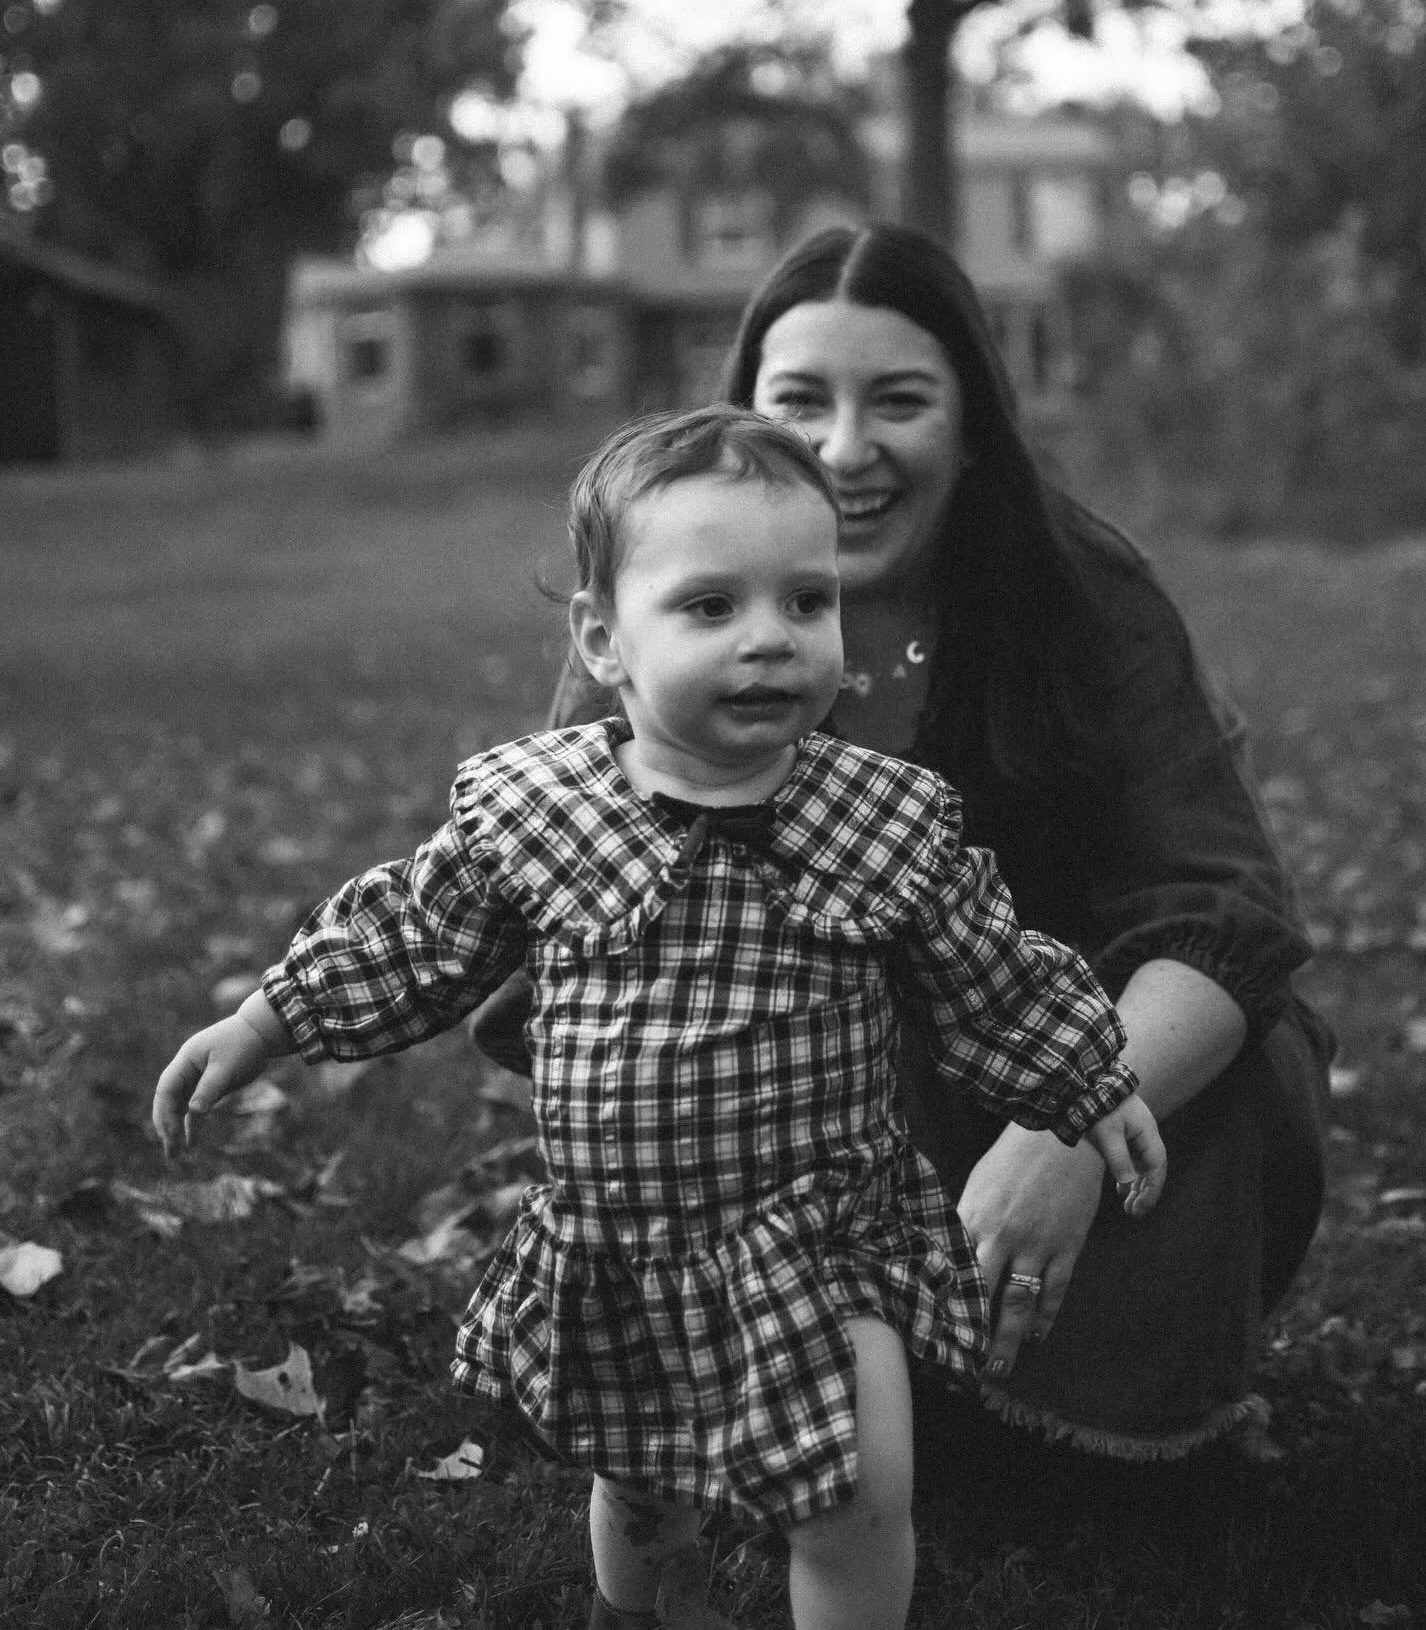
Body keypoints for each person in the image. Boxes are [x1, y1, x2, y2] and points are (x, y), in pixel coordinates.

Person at [153, 406, 1166, 1630]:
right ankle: (642, 1606)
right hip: (620, 1240)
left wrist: (1091, 1078)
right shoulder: (542, 810)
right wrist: (269, 1017)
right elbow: (408, 935)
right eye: (710, 607)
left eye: (807, 600)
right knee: (639, 1485)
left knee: (856, 1483)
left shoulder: (879, 824)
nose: (770, 641)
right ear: (605, 637)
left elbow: (992, 970)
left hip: (818, 1234)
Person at [475, 224, 1331, 1466]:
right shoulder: (669, 608)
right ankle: (787, 1358)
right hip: (773, 1099)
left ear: (973, 420)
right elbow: (533, 932)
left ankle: (1069, 1387)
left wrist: (1065, 1120)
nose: (844, 449)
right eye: (801, 402)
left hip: (1072, 1068)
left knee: (1233, 1044)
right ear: (748, 420)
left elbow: (1226, 907)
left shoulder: (1081, 592)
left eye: (901, 401)